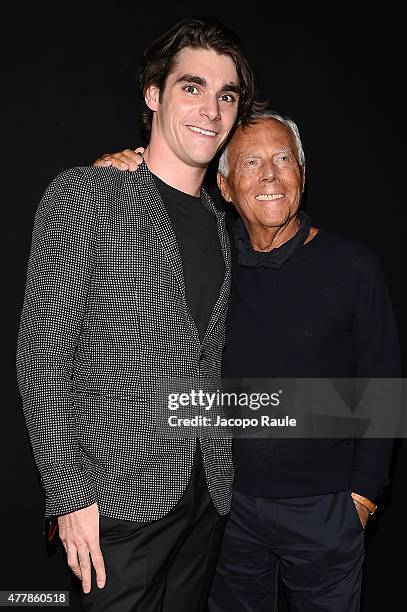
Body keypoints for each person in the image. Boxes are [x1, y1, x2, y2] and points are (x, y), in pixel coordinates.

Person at [98, 111, 400, 611]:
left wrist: (363, 498)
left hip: (324, 512)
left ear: (302, 174)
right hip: (229, 512)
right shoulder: (209, 258)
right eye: (251, 163)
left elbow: (384, 388)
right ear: (225, 186)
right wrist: (116, 176)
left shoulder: (354, 266)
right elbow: (138, 230)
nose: (269, 176)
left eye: (283, 159)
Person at [16, 18, 261, 612]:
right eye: (192, 88)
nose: (211, 109)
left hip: (206, 493)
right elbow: (44, 358)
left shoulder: (219, 221)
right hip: (118, 503)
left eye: (226, 95)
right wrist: (70, 495)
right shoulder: (88, 195)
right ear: (154, 95)